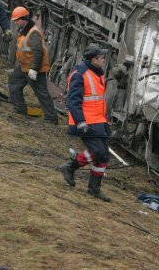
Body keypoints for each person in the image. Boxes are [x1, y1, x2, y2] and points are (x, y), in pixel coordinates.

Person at [57, 44, 112, 202]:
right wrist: (80, 122)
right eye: (102, 58)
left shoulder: (96, 72)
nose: (104, 60)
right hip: (86, 122)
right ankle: (70, 167)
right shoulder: (80, 74)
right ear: (94, 59)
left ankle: (94, 189)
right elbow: (73, 100)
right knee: (98, 151)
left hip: (97, 120)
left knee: (103, 155)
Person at [8, 6, 58, 123]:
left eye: (17, 20)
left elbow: (38, 52)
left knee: (41, 93)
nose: (15, 22)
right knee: (14, 84)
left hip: (35, 69)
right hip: (23, 67)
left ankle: (51, 118)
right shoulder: (23, 30)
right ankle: (20, 109)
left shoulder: (33, 32)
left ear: (24, 19)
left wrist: (34, 69)